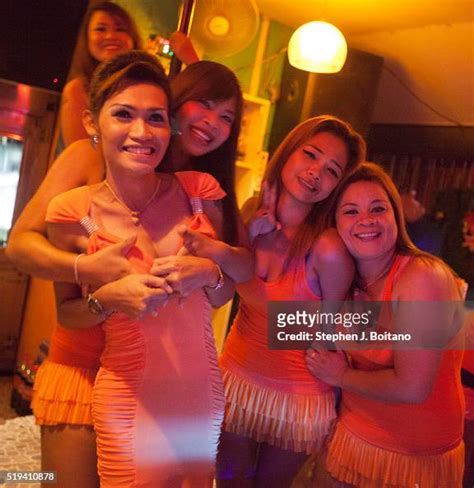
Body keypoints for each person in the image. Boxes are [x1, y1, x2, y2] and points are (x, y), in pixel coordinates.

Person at [45, 50, 234, 487]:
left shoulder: (197, 194)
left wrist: (210, 273)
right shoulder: (77, 212)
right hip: (130, 399)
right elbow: (67, 313)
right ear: (94, 123)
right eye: (123, 114)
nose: (141, 131)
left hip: (201, 394)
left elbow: (222, 295)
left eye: (155, 118)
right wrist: (106, 301)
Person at [216, 116, 366, 487]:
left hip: (295, 399)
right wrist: (246, 239)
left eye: (331, 171)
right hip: (235, 379)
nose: (315, 173)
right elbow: (217, 294)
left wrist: (233, 261)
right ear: (288, 150)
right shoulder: (251, 209)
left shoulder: (328, 246)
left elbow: (327, 331)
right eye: (310, 155)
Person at [306, 162, 465, 488]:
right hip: (350, 440)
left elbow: (413, 387)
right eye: (351, 212)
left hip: (414, 457)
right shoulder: (346, 281)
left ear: (396, 216)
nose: (366, 219)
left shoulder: (422, 275)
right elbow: (283, 321)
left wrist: (341, 375)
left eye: (378, 208)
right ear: (334, 224)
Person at [61, 1, 141, 146]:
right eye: (100, 29)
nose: (110, 36)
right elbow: (80, 152)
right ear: (87, 38)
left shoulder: (145, 85)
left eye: (120, 29)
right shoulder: (77, 91)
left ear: (132, 38)